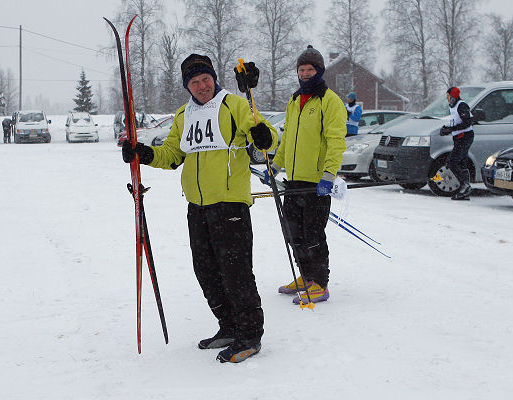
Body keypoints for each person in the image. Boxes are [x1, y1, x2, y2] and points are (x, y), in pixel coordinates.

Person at [121, 54, 278, 363]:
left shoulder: (234, 104)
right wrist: (142, 152)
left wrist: (265, 136)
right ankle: (229, 326)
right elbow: (171, 155)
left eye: (206, 79)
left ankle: (249, 334)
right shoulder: (184, 114)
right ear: (187, 86)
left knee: (236, 273)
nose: (202, 85)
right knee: (206, 271)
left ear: (213, 78)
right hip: (198, 206)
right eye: (195, 81)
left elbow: (268, 139)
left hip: (230, 203)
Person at [262, 45, 347, 305]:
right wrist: (275, 166)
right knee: (293, 232)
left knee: (313, 235)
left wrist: (329, 175)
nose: (305, 73)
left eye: (310, 69)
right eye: (301, 69)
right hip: (294, 180)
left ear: (319, 71)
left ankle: (320, 283)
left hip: (316, 183)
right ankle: (306, 276)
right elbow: (287, 138)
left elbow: (336, 141)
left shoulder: (329, 100)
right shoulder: (294, 100)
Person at [440, 86, 474, 200]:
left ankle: (465, 186)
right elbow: (457, 122)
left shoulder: (462, 105)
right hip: (459, 138)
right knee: (461, 162)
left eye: (448, 96)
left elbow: (467, 123)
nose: (447, 99)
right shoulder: (453, 107)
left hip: (465, 137)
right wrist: (448, 128)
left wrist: (451, 129)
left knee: (452, 162)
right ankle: (464, 190)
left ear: (454, 96)